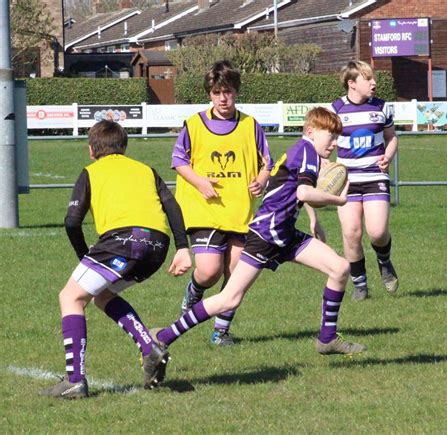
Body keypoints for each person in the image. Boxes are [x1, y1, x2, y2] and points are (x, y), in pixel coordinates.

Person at [149, 107, 367, 381]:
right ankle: (164, 336)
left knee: (340, 268)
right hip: (266, 235)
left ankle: (327, 338)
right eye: (331, 137)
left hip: (284, 233)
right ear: (311, 131)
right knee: (229, 297)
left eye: (337, 138)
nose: (335, 143)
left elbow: (294, 188)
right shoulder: (308, 150)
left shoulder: (304, 150)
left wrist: (314, 220)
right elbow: (303, 190)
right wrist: (339, 200)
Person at [41, 120, 192, 399]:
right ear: (123, 147)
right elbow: (172, 204)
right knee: (102, 296)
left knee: (70, 297)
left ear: (91, 150)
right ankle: (149, 349)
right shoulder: (145, 169)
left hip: (121, 242)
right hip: (157, 245)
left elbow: (72, 221)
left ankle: (74, 381)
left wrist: (83, 257)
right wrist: (183, 247)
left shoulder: (91, 171)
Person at [171, 60, 274, 346]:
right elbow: (178, 161)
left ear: (236, 92)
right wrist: (200, 182)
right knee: (208, 270)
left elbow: (268, 163)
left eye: (227, 91)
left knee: (237, 272)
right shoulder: (194, 124)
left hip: (239, 212)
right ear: (209, 94)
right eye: (217, 92)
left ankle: (221, 331)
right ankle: (194, 291)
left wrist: (262, 179)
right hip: (203, 210)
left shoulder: (250, 125)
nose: (223, 98)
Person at [331, 60, 399, 301]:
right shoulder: (335, 109)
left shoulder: (382, 107)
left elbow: (391, 138)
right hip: (347, 181)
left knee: (378, 231)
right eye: (367, 78)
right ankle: (360, 285)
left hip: (374, 177)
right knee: (351, 233)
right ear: (352, 83)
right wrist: (324, 167)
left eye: (373, 78)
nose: (374, 83)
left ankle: (384, 261)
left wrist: (388, 156)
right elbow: (325, 144)